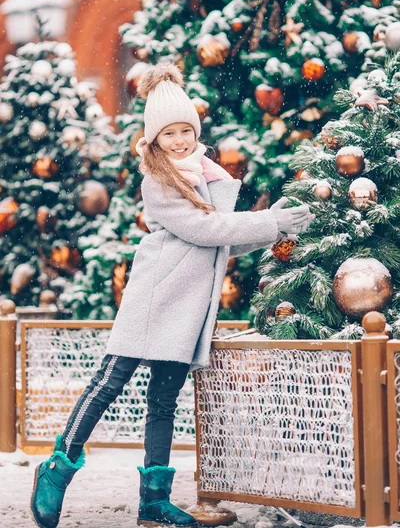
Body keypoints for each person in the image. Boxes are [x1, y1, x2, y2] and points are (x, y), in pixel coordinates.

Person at [30, 63, 313, 528]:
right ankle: (58, 466)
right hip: (154, 297)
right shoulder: (157, 178)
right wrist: (268, 223)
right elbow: (202, 229)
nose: (180, 140)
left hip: (187, 308)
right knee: (109, 382)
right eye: (169, 133)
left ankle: (154, 500)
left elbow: (221, 240)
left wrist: (270, 224)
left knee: (164, 400)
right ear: (154, 139)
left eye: (186, 130)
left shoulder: (204, 173)